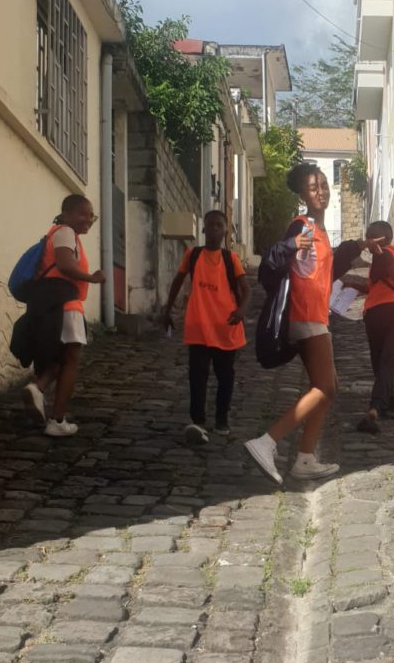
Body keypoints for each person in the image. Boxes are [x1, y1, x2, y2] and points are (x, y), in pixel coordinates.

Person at [243, 162, 382, 485]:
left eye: (323, 185)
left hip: (316, 315)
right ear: (303, 193)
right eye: (313, 187)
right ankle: (267, 441)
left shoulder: (318, 231)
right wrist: (291, 246)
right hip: (305, 315)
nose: (321, 191)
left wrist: (359, 247)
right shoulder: (302, 227)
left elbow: (324, 272)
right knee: (324, 387)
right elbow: (271, 264)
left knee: (328, 387)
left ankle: (305, 458)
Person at [163, 210, 251, 444]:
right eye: (210, 225)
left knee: (225, 376)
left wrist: (241, 311)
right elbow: (177, 282)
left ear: (225, 230)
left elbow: (246, 289)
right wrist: (167, 310)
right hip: (198, 327)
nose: (214, 229)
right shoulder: (192, 255)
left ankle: (222, 419)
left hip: (225, 327)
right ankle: (198, 422)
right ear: (203, 229)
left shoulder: (230, 259)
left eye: (219, 225)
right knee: (197, 376)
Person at [21, 195, 105, 437]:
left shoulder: (58, 233)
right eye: (83, 214)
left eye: (92, 216)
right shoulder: (66, 233)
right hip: (66, 304)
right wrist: (92, 278)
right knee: (71, 361)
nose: (88, 219)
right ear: (66, 214)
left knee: (59, 359)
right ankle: (57, 419)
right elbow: (66, 265)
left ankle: (38, 390)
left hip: (53, 304)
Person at [353, 221, 394, 435]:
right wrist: (348, 283)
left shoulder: (385, 254)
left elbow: (393, 272)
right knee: (385, 363)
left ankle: (375, 408)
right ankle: (392, 404)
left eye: (371, 237)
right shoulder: (391, 257)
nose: (368, 242)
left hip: (384, 314)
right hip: (393, 315)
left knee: (383, 363)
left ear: (380, 239)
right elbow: (373, 287)